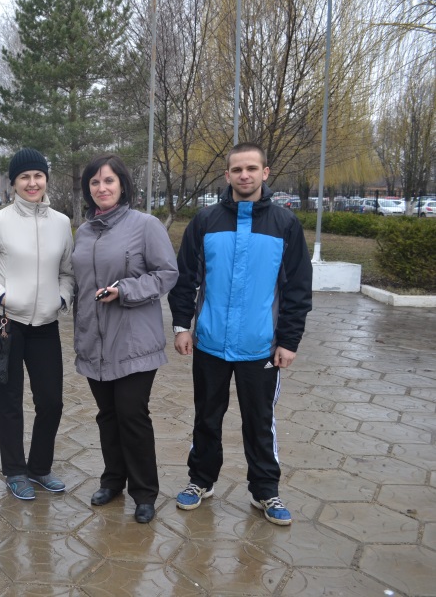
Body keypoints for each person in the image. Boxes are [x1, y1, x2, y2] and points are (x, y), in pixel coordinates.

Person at [168, 142, 313, 526]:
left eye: (251, 168)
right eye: (237, 169)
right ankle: (201, 481)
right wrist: (182, 327)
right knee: (206, 418)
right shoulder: (206, 221)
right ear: (227, 175)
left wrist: (288, 341)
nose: (244, 175)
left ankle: (265, 490)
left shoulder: (285, 224)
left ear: (265, 173)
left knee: (260, 422)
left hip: (261, 347)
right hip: (210, 343)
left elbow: (298, 288)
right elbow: (185, 278)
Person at [71, 155, 179, 524]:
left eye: (109, 181)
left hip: (134, 341)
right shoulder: (84, 231)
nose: (101, 188)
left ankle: (144, 493)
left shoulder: (145, 225)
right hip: (94, 339)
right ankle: (113, 480)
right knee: (107, 416)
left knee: (132, 415)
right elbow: (78, 282)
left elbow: (167, 273)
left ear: (122, 185)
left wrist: (126, 290)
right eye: (95, 182)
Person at [0, 148, 74, 500]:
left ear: (46, 180)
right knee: (10, 400)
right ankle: (14, 471)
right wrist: (3, 297)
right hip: (5, 323)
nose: (32, 183)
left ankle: (39, 468)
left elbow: (67, 272)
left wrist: (61, 299)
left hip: (45, 324)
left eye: (38, 176)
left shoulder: (61, 223)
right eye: (24, 177)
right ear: (13, 183)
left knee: (51, 401)